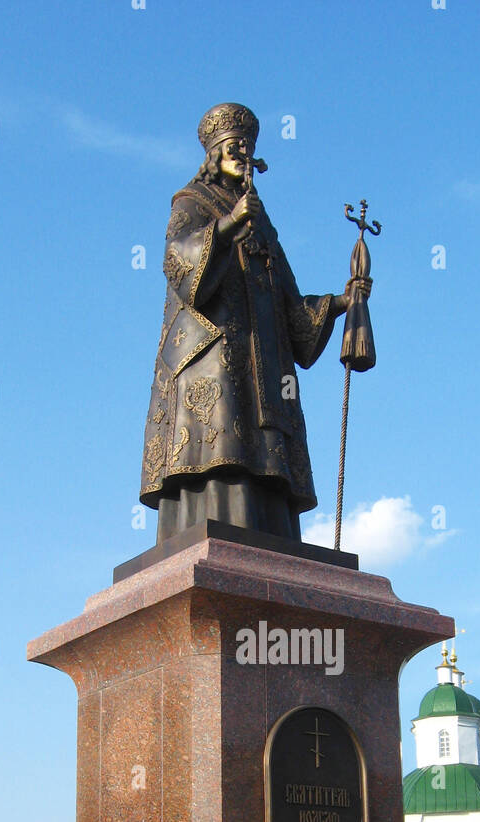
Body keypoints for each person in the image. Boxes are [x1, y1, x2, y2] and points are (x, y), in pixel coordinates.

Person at [139, 103, 369, 543]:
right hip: (213, 354)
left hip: (267, 367)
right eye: (232, 146)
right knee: (221, 444)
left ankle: (268, 535)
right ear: (213, 153)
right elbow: (177, 261)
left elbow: (288, 304)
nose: (241, 152)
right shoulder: (192, 202)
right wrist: (227, 225)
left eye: (246, 147)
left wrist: (342, 302)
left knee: (264, 454)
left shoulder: (262, 219)